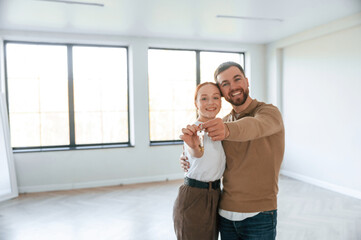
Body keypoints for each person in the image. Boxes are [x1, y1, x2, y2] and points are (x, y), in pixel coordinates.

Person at [181, 61, 285, 240]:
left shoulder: (268, 112)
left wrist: (228, 131)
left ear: (246, 81)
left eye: (237, 79)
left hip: (259, 214)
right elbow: (208, 155)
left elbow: (255, 126)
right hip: (224, 213)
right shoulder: (223, 121)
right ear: (222, 92)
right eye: (225, 84)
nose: (233, 87)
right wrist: (188, 156)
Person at [173, 82, 226, 240]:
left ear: (221, 102)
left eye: (215, 97)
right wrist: (194, 147)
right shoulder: (193, 132)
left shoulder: (222, 129)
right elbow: (196, 152)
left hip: (216, 195)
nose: (211, 102)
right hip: (194, 197)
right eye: (204, 98)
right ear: (195, 103)